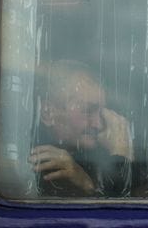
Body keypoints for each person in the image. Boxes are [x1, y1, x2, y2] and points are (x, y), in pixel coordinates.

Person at [28, 60, 133, 197]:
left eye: (101, 113)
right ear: (48, 113)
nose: (99, 125)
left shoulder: (91, 159)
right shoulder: (33, 163)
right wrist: (121, 151)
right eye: (88, 110)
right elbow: (117, 212)